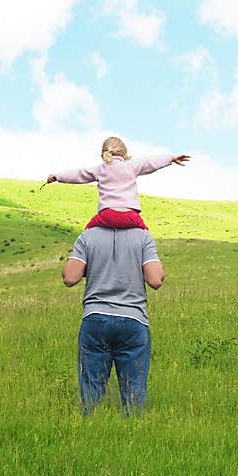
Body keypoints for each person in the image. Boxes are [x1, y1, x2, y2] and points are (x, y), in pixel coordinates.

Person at [61, 224, 166, 416]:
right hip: (134, 321)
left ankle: (90, 429)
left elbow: (69, 277)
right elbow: (155, 280)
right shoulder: (143, 238)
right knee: (134, 391)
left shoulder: (87, 237)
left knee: (91, 391)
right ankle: (132, 432)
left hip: (95, 319)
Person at [47, 136, 190, 230]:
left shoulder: (99, 169)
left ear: (104, 153)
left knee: (87, 234)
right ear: (124, 153)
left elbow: (78, 174)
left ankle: (81, 259)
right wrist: (171, 158)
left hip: (106, 215)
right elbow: (150, 162)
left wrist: (58, 176)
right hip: (130, 216)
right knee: (145, 238)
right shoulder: (131, 166)